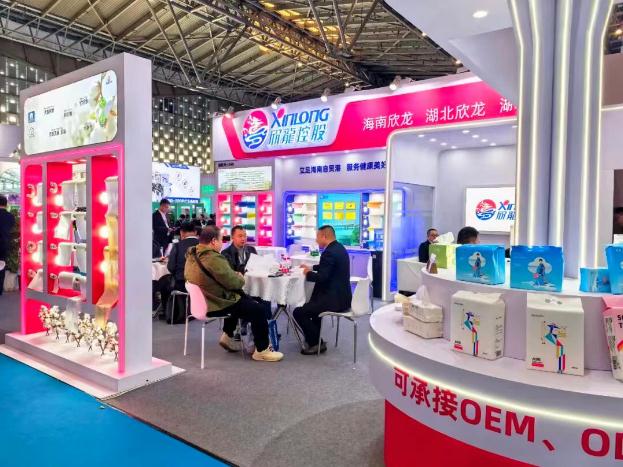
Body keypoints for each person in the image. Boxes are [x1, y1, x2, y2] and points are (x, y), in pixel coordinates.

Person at [185, 225, 284, 362]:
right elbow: (235, 283)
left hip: (203, 302)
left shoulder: (192, 255)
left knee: (241, 299)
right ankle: (262, 350)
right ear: (213, 241)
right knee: (258, 309)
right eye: (221, 240)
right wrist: (240, 277)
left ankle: (228, 335)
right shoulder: (213, 258)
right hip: (216, 303)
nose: (222, 243)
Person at [293, 225, 352, 355]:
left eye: (317, 237)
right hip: (343, 298)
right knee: (312, 307)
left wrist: (307, 273)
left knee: (298, 312)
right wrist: (311, 267)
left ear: (324, 236)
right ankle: (314, 339)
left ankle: (316, 343)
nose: (316, 240)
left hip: (333, 300)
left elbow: (322, 278)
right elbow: (327, 267)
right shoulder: (339, 248)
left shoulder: (329, 252)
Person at [162, 222, 200, 323]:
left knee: (163, 284)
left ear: (181, 233)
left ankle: (168, 312)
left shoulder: (178, 246)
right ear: (195, 232)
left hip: (182, 282)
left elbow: (171, 267)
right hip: (200, 282)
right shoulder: (203, 245)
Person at [0, 195, 16, 296]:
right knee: (1, 266)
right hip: (4, 244)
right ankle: (0, 289)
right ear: (6, 204)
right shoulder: (10, 216)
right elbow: (11, 228)